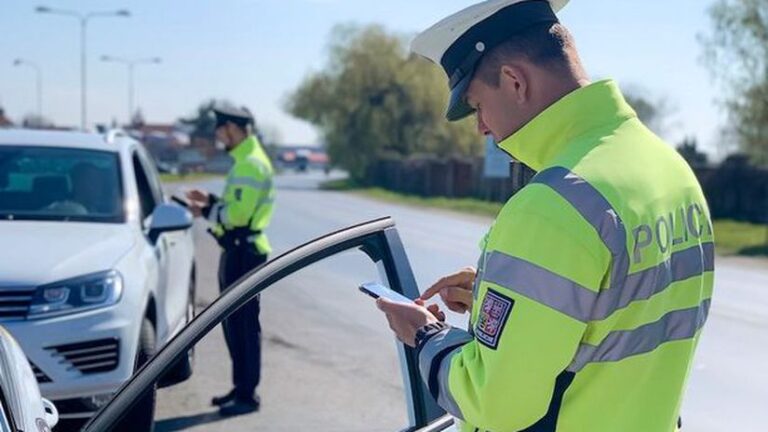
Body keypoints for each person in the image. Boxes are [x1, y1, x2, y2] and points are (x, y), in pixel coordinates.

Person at [376, 1, 715, 431]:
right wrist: (496, 299)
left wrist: (425, 337)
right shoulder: (670, 170)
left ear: (514, 81)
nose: (480, 127)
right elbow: (620, 312)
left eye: (477, 105)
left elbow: (497, 404)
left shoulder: (553, 205)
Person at [185, 104, 275, 417]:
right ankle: (240, 388)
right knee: (234, 324)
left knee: (244, 326)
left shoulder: (250, 164)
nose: (217, 135)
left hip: (244, 254)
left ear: (233, 129)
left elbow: (237, 216)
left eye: (220, 129)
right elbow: (236, 207)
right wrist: (210, 202)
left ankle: (247, 395)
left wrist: (205, 211)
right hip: (238, 251)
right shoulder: (244, 161)